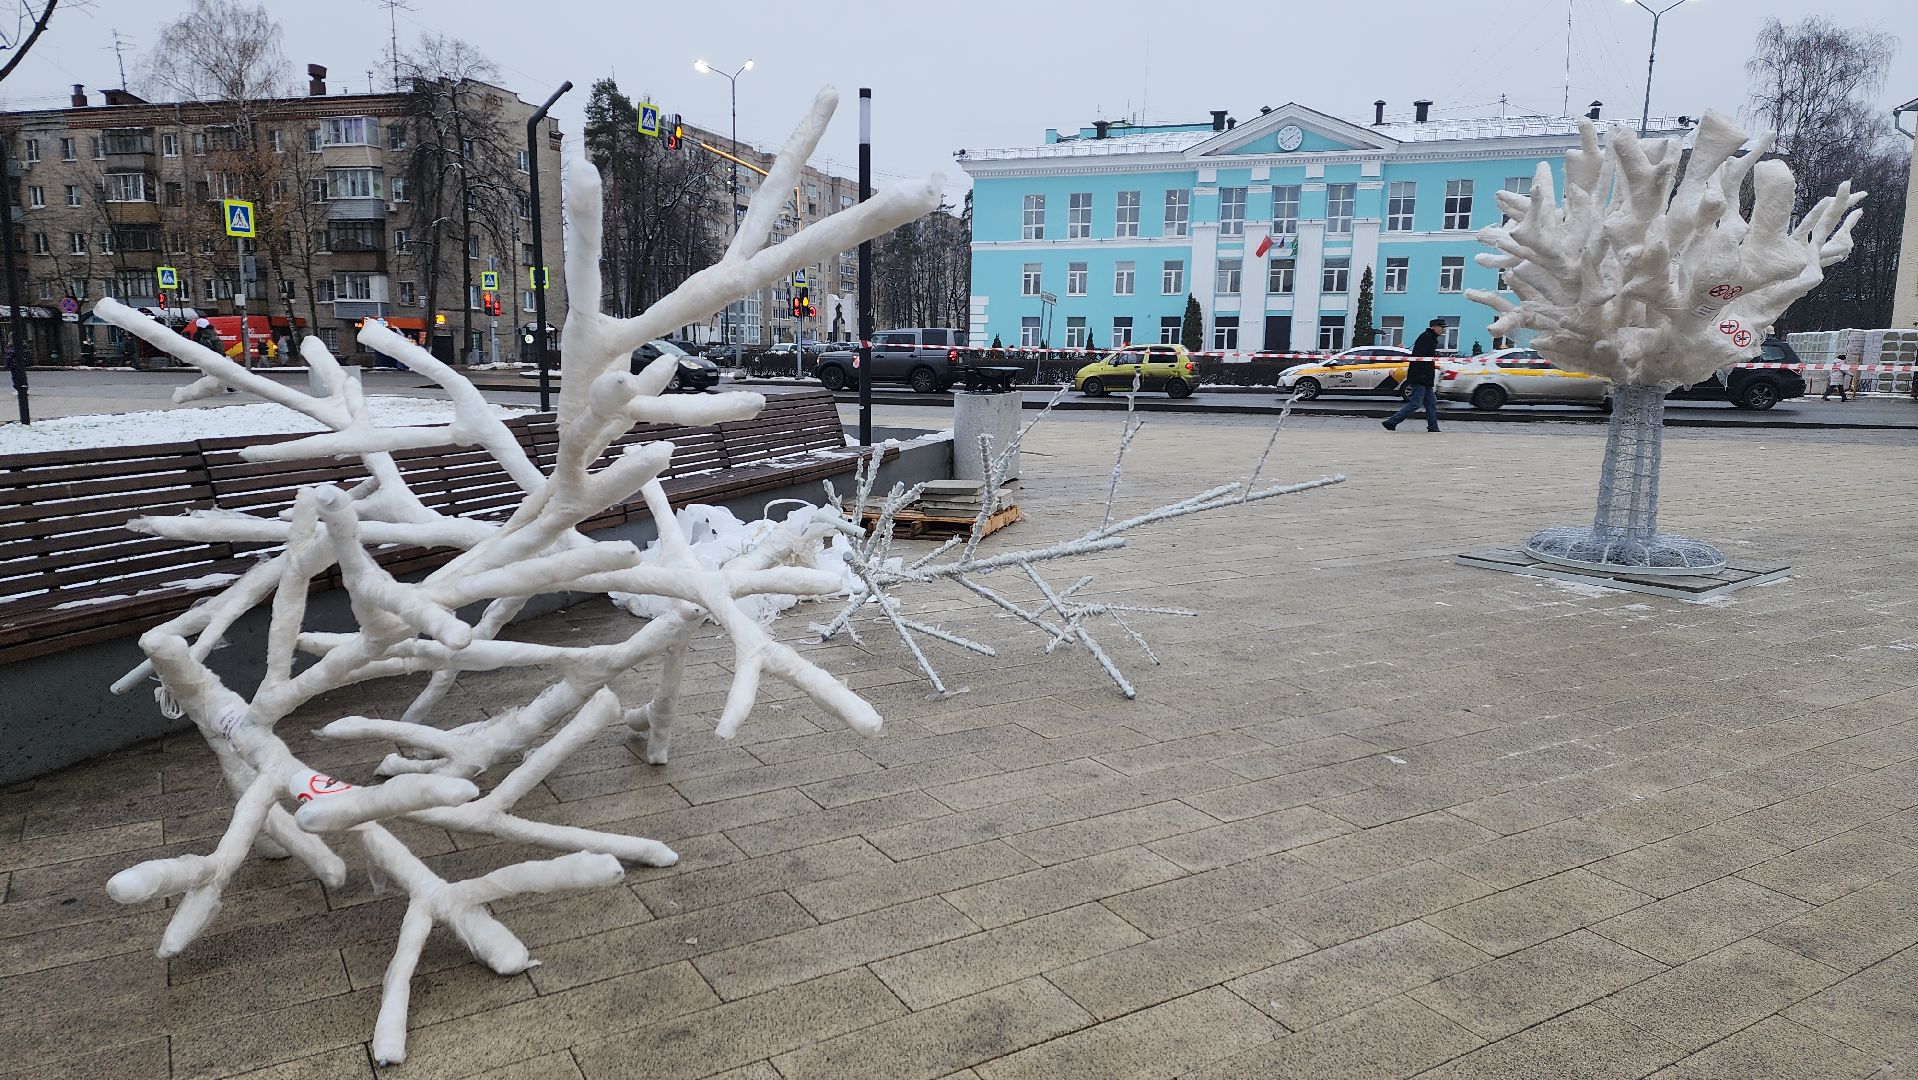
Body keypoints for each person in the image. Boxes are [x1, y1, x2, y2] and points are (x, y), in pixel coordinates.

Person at [1384, 318, 1445, 432]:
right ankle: (1391, 422)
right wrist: (1421, 375)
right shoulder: (1426, 337)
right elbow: (1418, 357)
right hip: (1420, 377)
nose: (1443, 330)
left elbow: (1425, 357)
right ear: (1434, 327)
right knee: (1415, 404)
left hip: (1426, 377)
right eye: (1441, 327)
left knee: (1431, 403)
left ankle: (1433, 427)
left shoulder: (1431, 338)